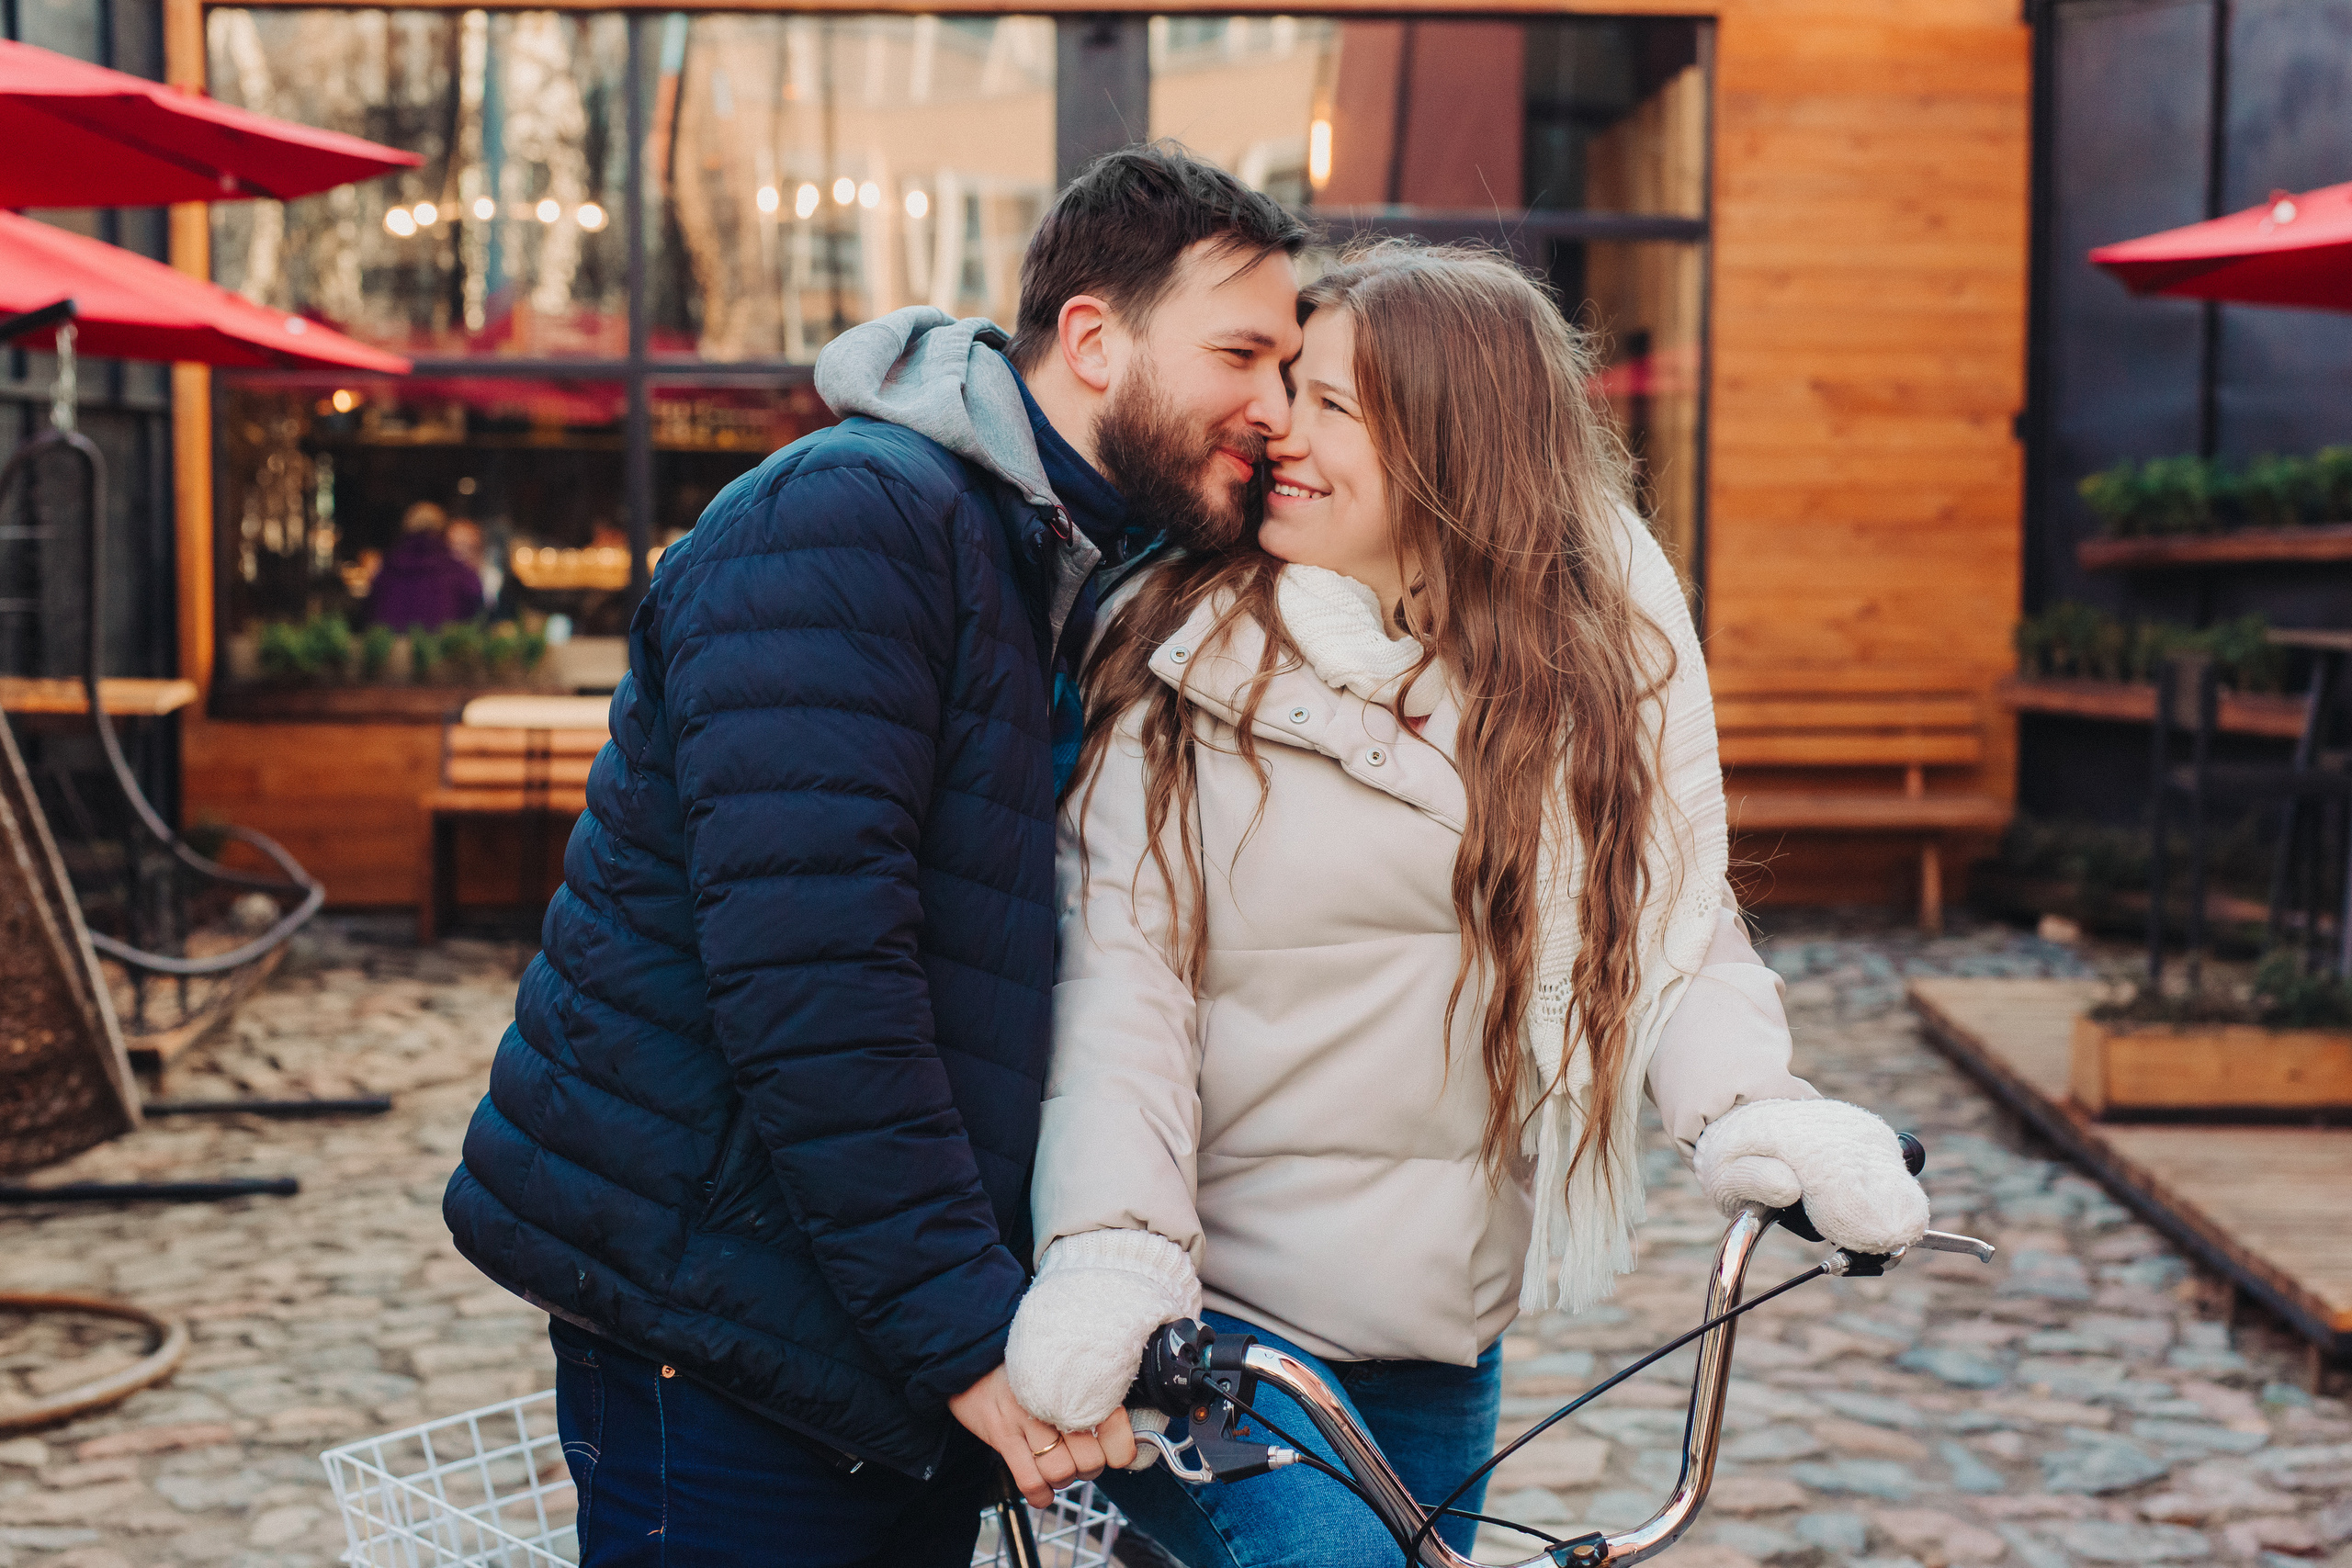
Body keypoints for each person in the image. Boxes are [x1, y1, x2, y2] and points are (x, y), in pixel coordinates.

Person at [440, 143, 1308, 1568]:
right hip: (727, 1333)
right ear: (1094, 339)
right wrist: (966, 1333)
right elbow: (816, 979)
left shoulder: (1048, 559)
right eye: (1242, 354)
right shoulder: (858, 519)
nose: (1274, 406)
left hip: (854, 1326)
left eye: (1291, 367)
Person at [1004, 244, 1933, 1565]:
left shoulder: (1570, 676)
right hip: (1216, 1340)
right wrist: (1114, 1252)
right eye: (1289, 391)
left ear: (1452, 448)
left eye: (1333, 405)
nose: (1280, 431)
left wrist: (1758, 1111)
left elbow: (1663, 921)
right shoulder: (1181, 661)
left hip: (1439, 1340)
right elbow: (1121, 994)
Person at [367, 502, 483, 630]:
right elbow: (476, 614)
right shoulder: (460, 573)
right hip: (441, 642)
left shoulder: (387, 570)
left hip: (392, 642)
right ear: (442, 529)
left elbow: (371, 612)